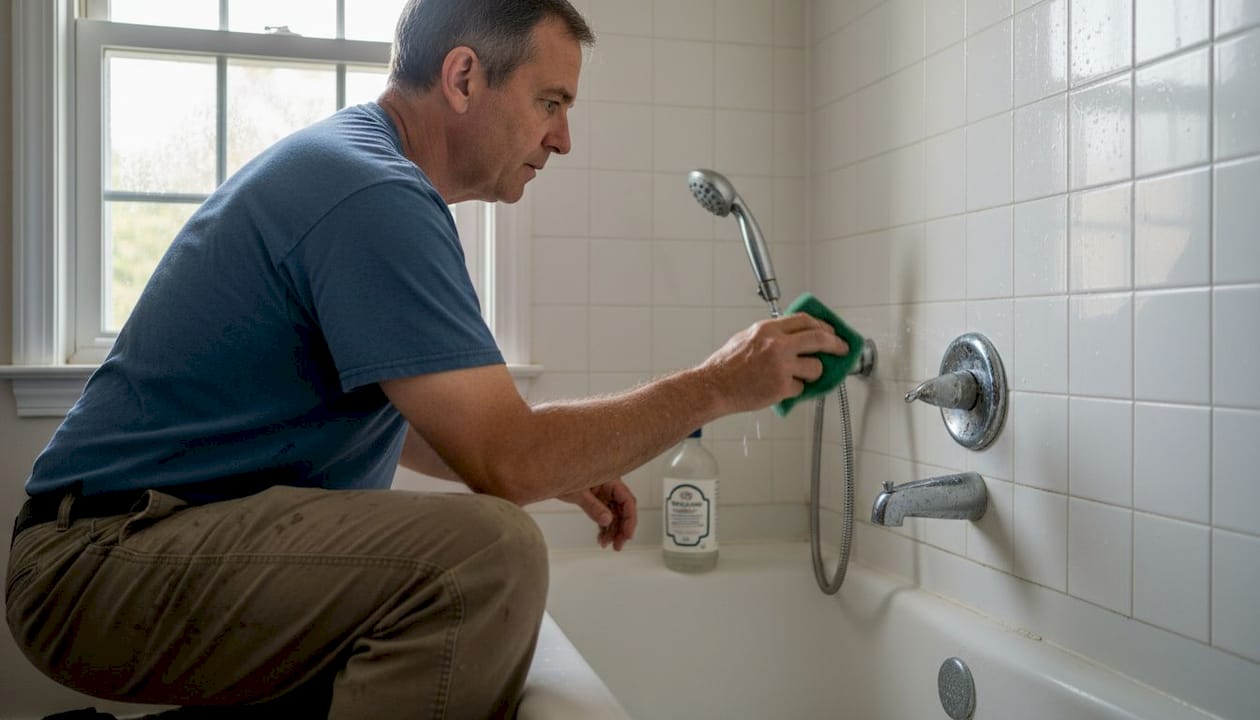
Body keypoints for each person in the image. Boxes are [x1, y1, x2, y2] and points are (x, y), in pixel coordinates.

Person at [6, 0, 848, 718]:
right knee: (488, 552)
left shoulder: (358, 168)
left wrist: (549, 462)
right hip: (98, 557)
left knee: (472, 542)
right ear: (463, 78)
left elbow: (414, 424)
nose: (564, 139)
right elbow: (506, 461)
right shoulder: (374, 193)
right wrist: (717, 385)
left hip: (122, 540)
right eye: (551, 101)